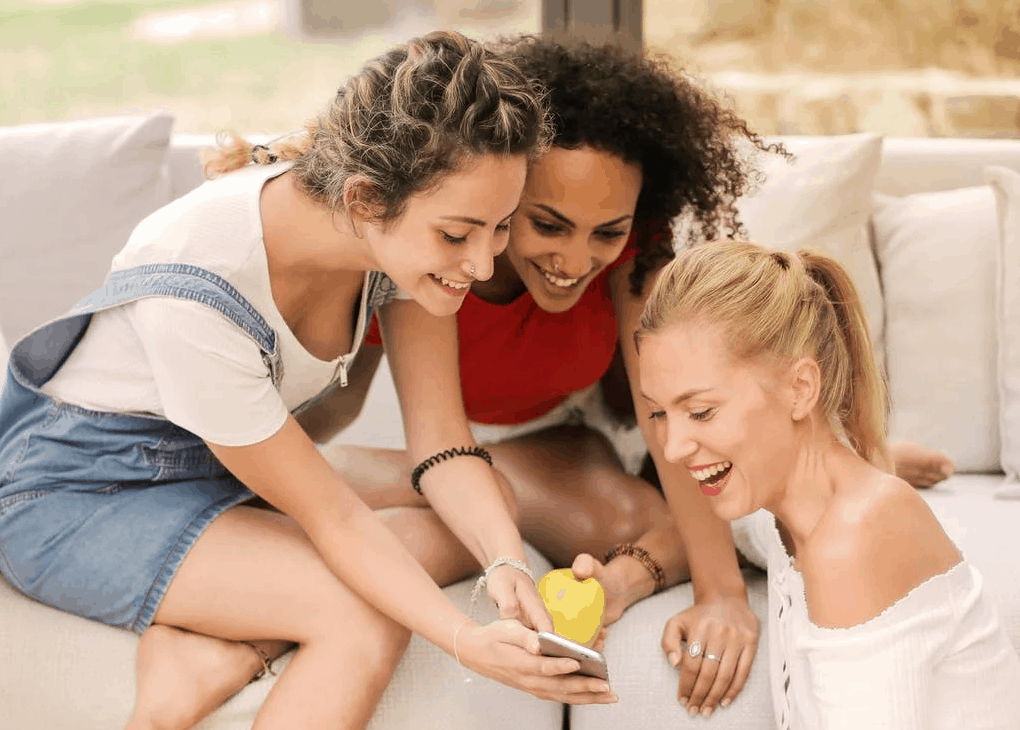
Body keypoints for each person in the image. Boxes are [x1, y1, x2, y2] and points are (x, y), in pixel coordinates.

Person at [314, 35, 957, 718]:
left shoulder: (635, 251)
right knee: (616, 514)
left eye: (605, 231)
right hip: (460, 453)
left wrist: (723, 597)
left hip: (590, 437)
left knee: (669, 513)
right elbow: (437, 440)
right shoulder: (449, 258)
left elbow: (666, 412)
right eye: (547, 225)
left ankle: (848, 457)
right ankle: (847, 457)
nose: (575, 258)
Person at [0, 31, 619, 730]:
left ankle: (219, 649)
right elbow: (339, 522)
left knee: (485, 508)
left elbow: (443, 447)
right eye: (458, 234)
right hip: (82, 498)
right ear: (363, 200)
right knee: (361, 615)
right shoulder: (196, 289)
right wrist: (466, 639)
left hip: (220, 473)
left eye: (500, 227)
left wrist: (507, 566)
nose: (481, 265)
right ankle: (210, 652)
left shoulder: (401, 244)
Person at [635, 240, 1020, 729]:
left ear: (800, 389)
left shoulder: (855, 537)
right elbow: (729, 535)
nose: (672, 448)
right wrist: (629, 574)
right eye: (658, 413)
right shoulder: (781, 509)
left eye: (701, 412)